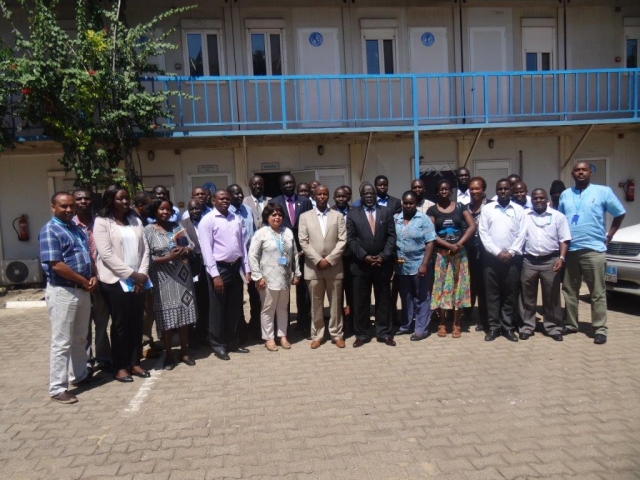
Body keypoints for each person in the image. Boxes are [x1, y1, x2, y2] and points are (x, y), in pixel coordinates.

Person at [39, 192, 104, 404]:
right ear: (53, 207)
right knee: (62, 341)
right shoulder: (50, 230)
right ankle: (58, 387)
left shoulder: (76, 229)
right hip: (63, 292)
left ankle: (80, 376)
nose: (68, 210)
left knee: (80, 338)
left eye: (71, 206)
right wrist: (84, 281)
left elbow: (87, 256)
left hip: (83, 290)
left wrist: (93, 276)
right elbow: (55, 264)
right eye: (63, 206)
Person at [559, 161, 626, 344]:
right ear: (572, 174)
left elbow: (619, 213)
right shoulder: (565, 195)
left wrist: (610, 235)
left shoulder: (603, 192)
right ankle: (571, 324)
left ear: (590, 173)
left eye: (584, 170)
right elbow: (560, 222)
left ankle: (599, 328)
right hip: (571, 250)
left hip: (594, 250)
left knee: (597, 292)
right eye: (577, 170)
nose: (581, 173)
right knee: (569, 291)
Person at [94, 184, 150, 382]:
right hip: (115, 281)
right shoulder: (102, 222)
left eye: (127, 198)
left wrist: (142, 274)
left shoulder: (135, 220)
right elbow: (106, 254)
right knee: (120, 325)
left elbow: (145, 250)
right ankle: (120, 366)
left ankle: (135, 363)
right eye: (120, 198)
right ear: (110, 200)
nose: (125, 202)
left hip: (139, 281)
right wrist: (132, 275)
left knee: (136, 322)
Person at [198, 190, 251, 361]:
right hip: (218, 269)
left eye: (227, 198)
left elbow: (242, 246)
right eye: (221, 198)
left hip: (235, 268)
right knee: (217, 309)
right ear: (213, 200)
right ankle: (218, 344)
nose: (225, 201)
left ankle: (232, 341)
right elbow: (207, 251)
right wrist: (215, 275)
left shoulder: (235, 218)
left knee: (234, 307)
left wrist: (246, 268)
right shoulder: (207, 221)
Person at [144, 199, 197, 369]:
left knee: (184, 314)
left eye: (168, 209)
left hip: (183, 277)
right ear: (155, 210)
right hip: (162, 278)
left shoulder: (178, 226)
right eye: (162, 209)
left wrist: (185, 250)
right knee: (166, 317)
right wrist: (169, 257)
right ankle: (168, 355)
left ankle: (184, 351)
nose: (165, 212)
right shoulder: (148, 230)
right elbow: (147, 257)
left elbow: (191, 245)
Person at [346, 182, 397, 347]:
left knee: (383, 300)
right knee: (361, 301)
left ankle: (384, 333)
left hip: (382, 264)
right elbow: (351, 240)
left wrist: (383, 256)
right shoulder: (353, 214)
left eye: (371, 193)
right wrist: (365, 256)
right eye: (365, 193)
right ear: (360, 196)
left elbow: (391, 237)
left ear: (376, 195)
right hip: (361, 265)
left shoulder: (386, 212)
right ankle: (362, 334)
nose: (369, 196)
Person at [299, 185, 347, 349]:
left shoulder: (338, 216)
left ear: (329, 196)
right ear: (314, 195)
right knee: (316, 303)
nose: (322, 196)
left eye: (325, 194)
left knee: (335, 303)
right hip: (313, 268)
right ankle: (317, 334)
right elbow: (303, 241)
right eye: (319, 194)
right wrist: (318, 260)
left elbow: (342, 240)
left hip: (334, 267)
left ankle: (336, 334)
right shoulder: (305, 217)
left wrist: (330, 259)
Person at [519, 189, 571, 342]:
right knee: (527, 296)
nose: (538, 200)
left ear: (547, 199)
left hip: (551, 260)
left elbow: (564, 239)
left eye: (541, 198)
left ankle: (553, 327)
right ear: (532, 200)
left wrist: (561, 258)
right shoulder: (524, 215)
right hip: (529, 260)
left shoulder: (558, 216)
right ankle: (527, 326)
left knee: (552, 296)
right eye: (535, 198)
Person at [249, 202, 301, 351]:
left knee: (283, 308)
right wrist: (258, 277)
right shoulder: (261, 233)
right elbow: (252, 255)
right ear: (267, 217)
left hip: (284, 278)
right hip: (267, 279)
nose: (277, 217)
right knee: (268, 308)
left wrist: (296, 272)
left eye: (279, 214)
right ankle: (269, 338)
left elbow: (295, 254)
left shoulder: (288, 232)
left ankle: (283, 335)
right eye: (273, 215)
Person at [427, 179, 476, 338]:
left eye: (447, 189)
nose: (444, 191)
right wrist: (449, 246)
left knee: (458, 287)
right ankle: (442, 322)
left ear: (450, 191)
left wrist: (459, 244)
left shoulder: (460, 207)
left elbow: (472, 226)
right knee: (442, 288)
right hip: (442, 255)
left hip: (459, 255)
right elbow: (431, 234)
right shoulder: (432, 211)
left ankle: (456, 323)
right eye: (441, 189)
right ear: (436, 192)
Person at [479, 179, 526, 342]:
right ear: (496, 190)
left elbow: (522, 234)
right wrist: (498, 252)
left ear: (510, 190)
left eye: (506, 189)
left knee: (510, 294)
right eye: (500, 189)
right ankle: (493, 327)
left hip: (512, 261)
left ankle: (507, 327)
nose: (503, 191)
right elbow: (483, 233)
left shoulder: (519, 210)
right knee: (492, 295)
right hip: (491, 260)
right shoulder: (487, 209)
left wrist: (511, 252)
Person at [72, 189, 112, 372]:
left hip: (101, 280)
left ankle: (104, 358)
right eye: (79, 198)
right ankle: (86, 361)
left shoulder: (101, 223)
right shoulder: (69, 225)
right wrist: (83, 279)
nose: (83, 201)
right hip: (79, 283)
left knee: (102, 323)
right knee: (82, 326)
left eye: (86, 198)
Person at [272, 174, 313, 336]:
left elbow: (311, 226)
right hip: (283, 253)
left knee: (304, 290)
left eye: (291, 182)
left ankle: (304, 323)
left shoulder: (305, 202)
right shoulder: (275, 202)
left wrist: (306, 248)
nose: (289, 185)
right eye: (285, 183)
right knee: (283, 289)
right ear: (281, 186)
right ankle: (284, 326)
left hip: (304, 253)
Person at [394, 191, 436, 341]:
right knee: (406, 297)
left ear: (416, 203)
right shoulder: (396, 219)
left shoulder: (423, 219)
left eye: (411, 203)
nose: (408, 205)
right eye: (405, 202)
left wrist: (424, 264)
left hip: (419, 264)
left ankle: (421, 329)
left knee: (422, 297)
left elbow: (430, 241)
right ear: (402, 203)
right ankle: (406, 325)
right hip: (401, 266)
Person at [243, 175, 271, 339]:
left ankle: (268, 325)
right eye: (254, 184)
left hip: (268, 253)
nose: (257, 186)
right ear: (250, 185)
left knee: (268, 289)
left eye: (260, 183)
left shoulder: (271, 200)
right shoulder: (244, 202)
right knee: (254, 290)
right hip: (251, 253)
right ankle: (255, 325)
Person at [227, 184, 255, 342]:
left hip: (250, 257)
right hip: (234, 259)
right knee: (236, 296)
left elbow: (254, 231)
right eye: (235, 194)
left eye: (240, 193)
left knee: (254, 293)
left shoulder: (248, 210)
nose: (238, 196)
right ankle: (239, 330)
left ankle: (254, 326)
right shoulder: (226, 213)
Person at [180, 199, 210, 348]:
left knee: (205, 301)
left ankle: (203, 333)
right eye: (192, 209)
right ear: (188, 210)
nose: (195, 212)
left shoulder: (207, 221)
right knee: (192, 301)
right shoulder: (182, 225)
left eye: (197, 208)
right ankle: (192, 337)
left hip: (206, 266)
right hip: (191, 268)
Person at [465, 177, 491, 332]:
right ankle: (467, 314)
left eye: (477, 188)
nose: (474, 191)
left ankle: (484, 318)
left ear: (483, 189)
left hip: (486, 251)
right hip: (469, 250)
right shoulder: (465, 207)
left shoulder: (491, 207)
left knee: (484, 286)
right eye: (472, 189)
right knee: (469, 283)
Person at [332, 186, 354, 334]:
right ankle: (338, 322)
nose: (341, 199)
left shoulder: (354, 212)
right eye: (338, 196)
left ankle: (351, 322)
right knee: (336, 292)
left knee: (352, 292)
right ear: (334, 198)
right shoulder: (330, 213)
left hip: (352, 257)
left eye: (344, 196)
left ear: (348, 197)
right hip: (335, 258)